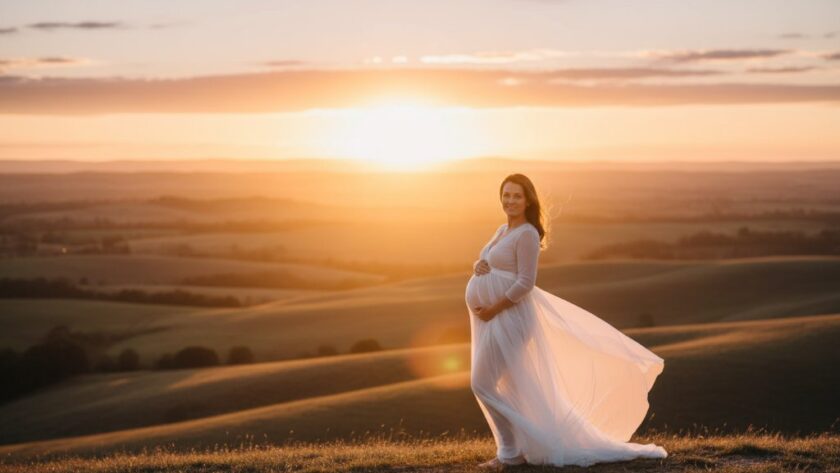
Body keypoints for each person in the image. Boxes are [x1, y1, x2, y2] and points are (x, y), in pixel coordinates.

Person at [464, 174, 668, 468]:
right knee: (509, 385)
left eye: (516, 196)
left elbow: (525, 282)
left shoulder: (527, 234)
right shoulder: (502, 229)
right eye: (506, 195)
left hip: (511, 318)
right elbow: (491, 261)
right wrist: (478, 264)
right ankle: (518, 448)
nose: (510, 201)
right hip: (491, 319)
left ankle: (510, 453)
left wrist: (494, 308)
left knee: (481, 383)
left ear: (528, 200)